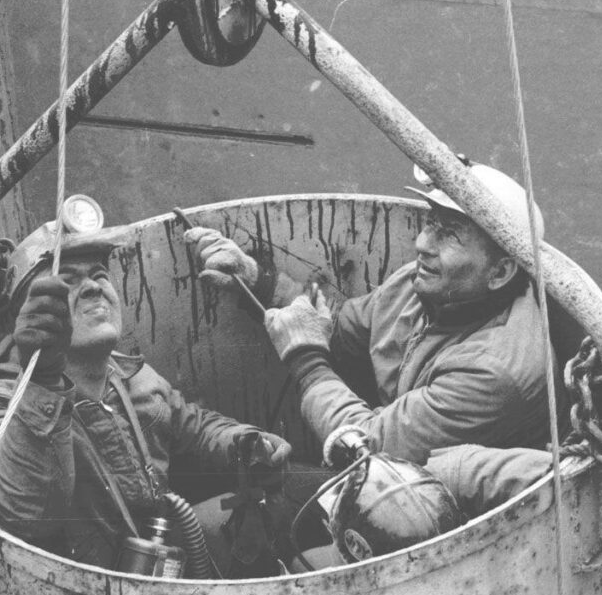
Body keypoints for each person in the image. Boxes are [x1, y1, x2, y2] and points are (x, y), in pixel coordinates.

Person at [185, 160, 561, 522]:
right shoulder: (422, 286)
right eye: (431, 223)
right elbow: (342, 326)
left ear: (500, 271)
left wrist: (306, 360)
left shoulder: (494, 369)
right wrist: (257, 281)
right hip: (391, 466)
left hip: (453, 514)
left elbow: (366, 453)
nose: (422, 243)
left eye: (449, 235)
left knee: (250, 506)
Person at [0, 218, 292, 571]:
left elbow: (193, 425)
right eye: (67, 280)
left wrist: (242, 442)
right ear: (27, 315)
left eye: (99, 274)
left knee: (294, 492)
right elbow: (19, 513)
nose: (95, 288)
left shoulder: (127, 373)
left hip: (155, 552)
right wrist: (44, 382)